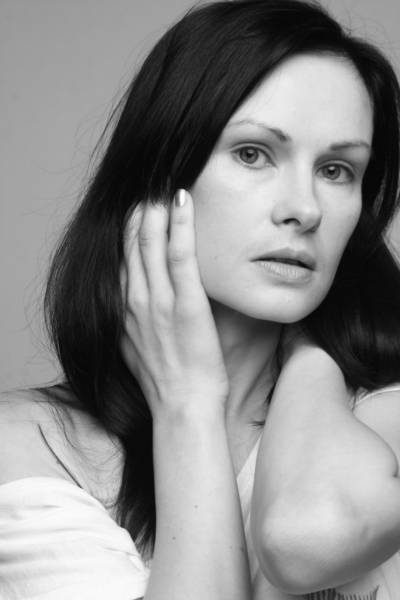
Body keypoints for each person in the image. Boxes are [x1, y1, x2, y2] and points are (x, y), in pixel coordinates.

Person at [1, 0, 400, 598]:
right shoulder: (26, 446)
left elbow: (306, 537)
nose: (305, 208)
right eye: (252, 153)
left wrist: (311, 351)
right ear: (160, 176)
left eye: (337, 169)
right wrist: (187, 407)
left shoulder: (379, 417)